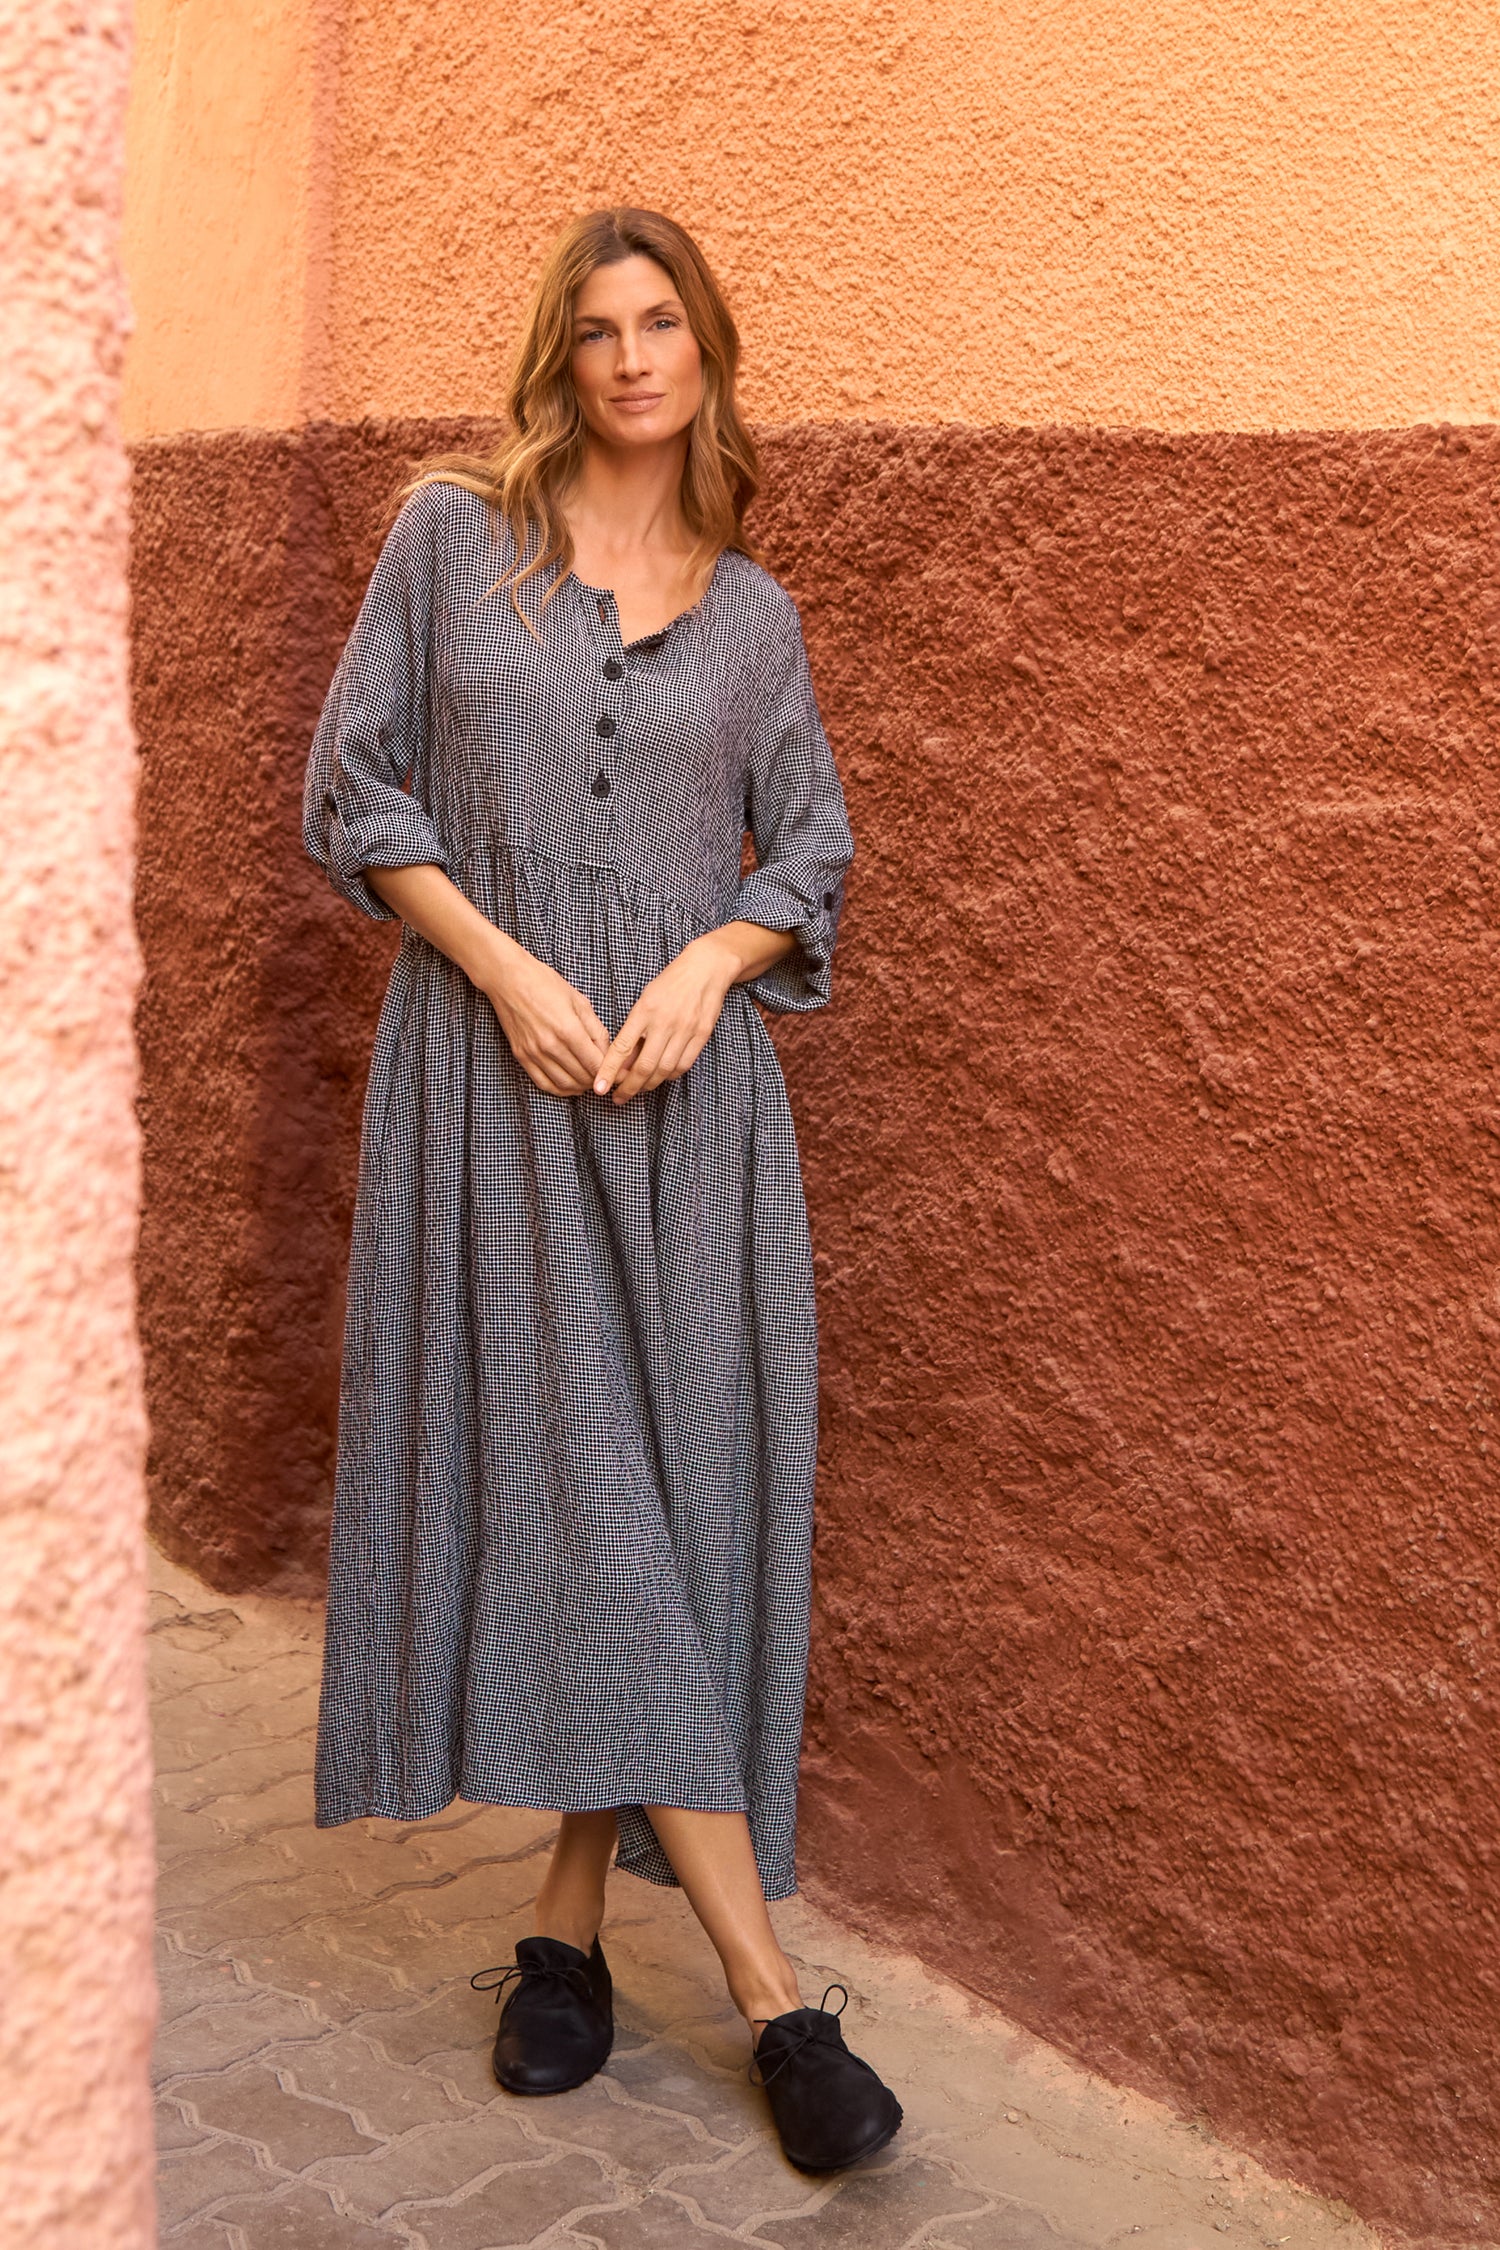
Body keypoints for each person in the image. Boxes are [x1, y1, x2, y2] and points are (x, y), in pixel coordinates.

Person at [303, 206, 901, 2174]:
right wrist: (502, 965)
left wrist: (715, 962)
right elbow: (354, 786)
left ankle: (566, 1935)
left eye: (663, 325)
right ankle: (772, 2001)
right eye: (595, 328)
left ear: (709, 354)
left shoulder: (755, 616)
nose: (631, 358)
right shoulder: (446, 543)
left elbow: (806, 846)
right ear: (557, 358)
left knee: (654, 1503)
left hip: (689, 1121)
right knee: (601, 1499)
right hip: (496, 1091)